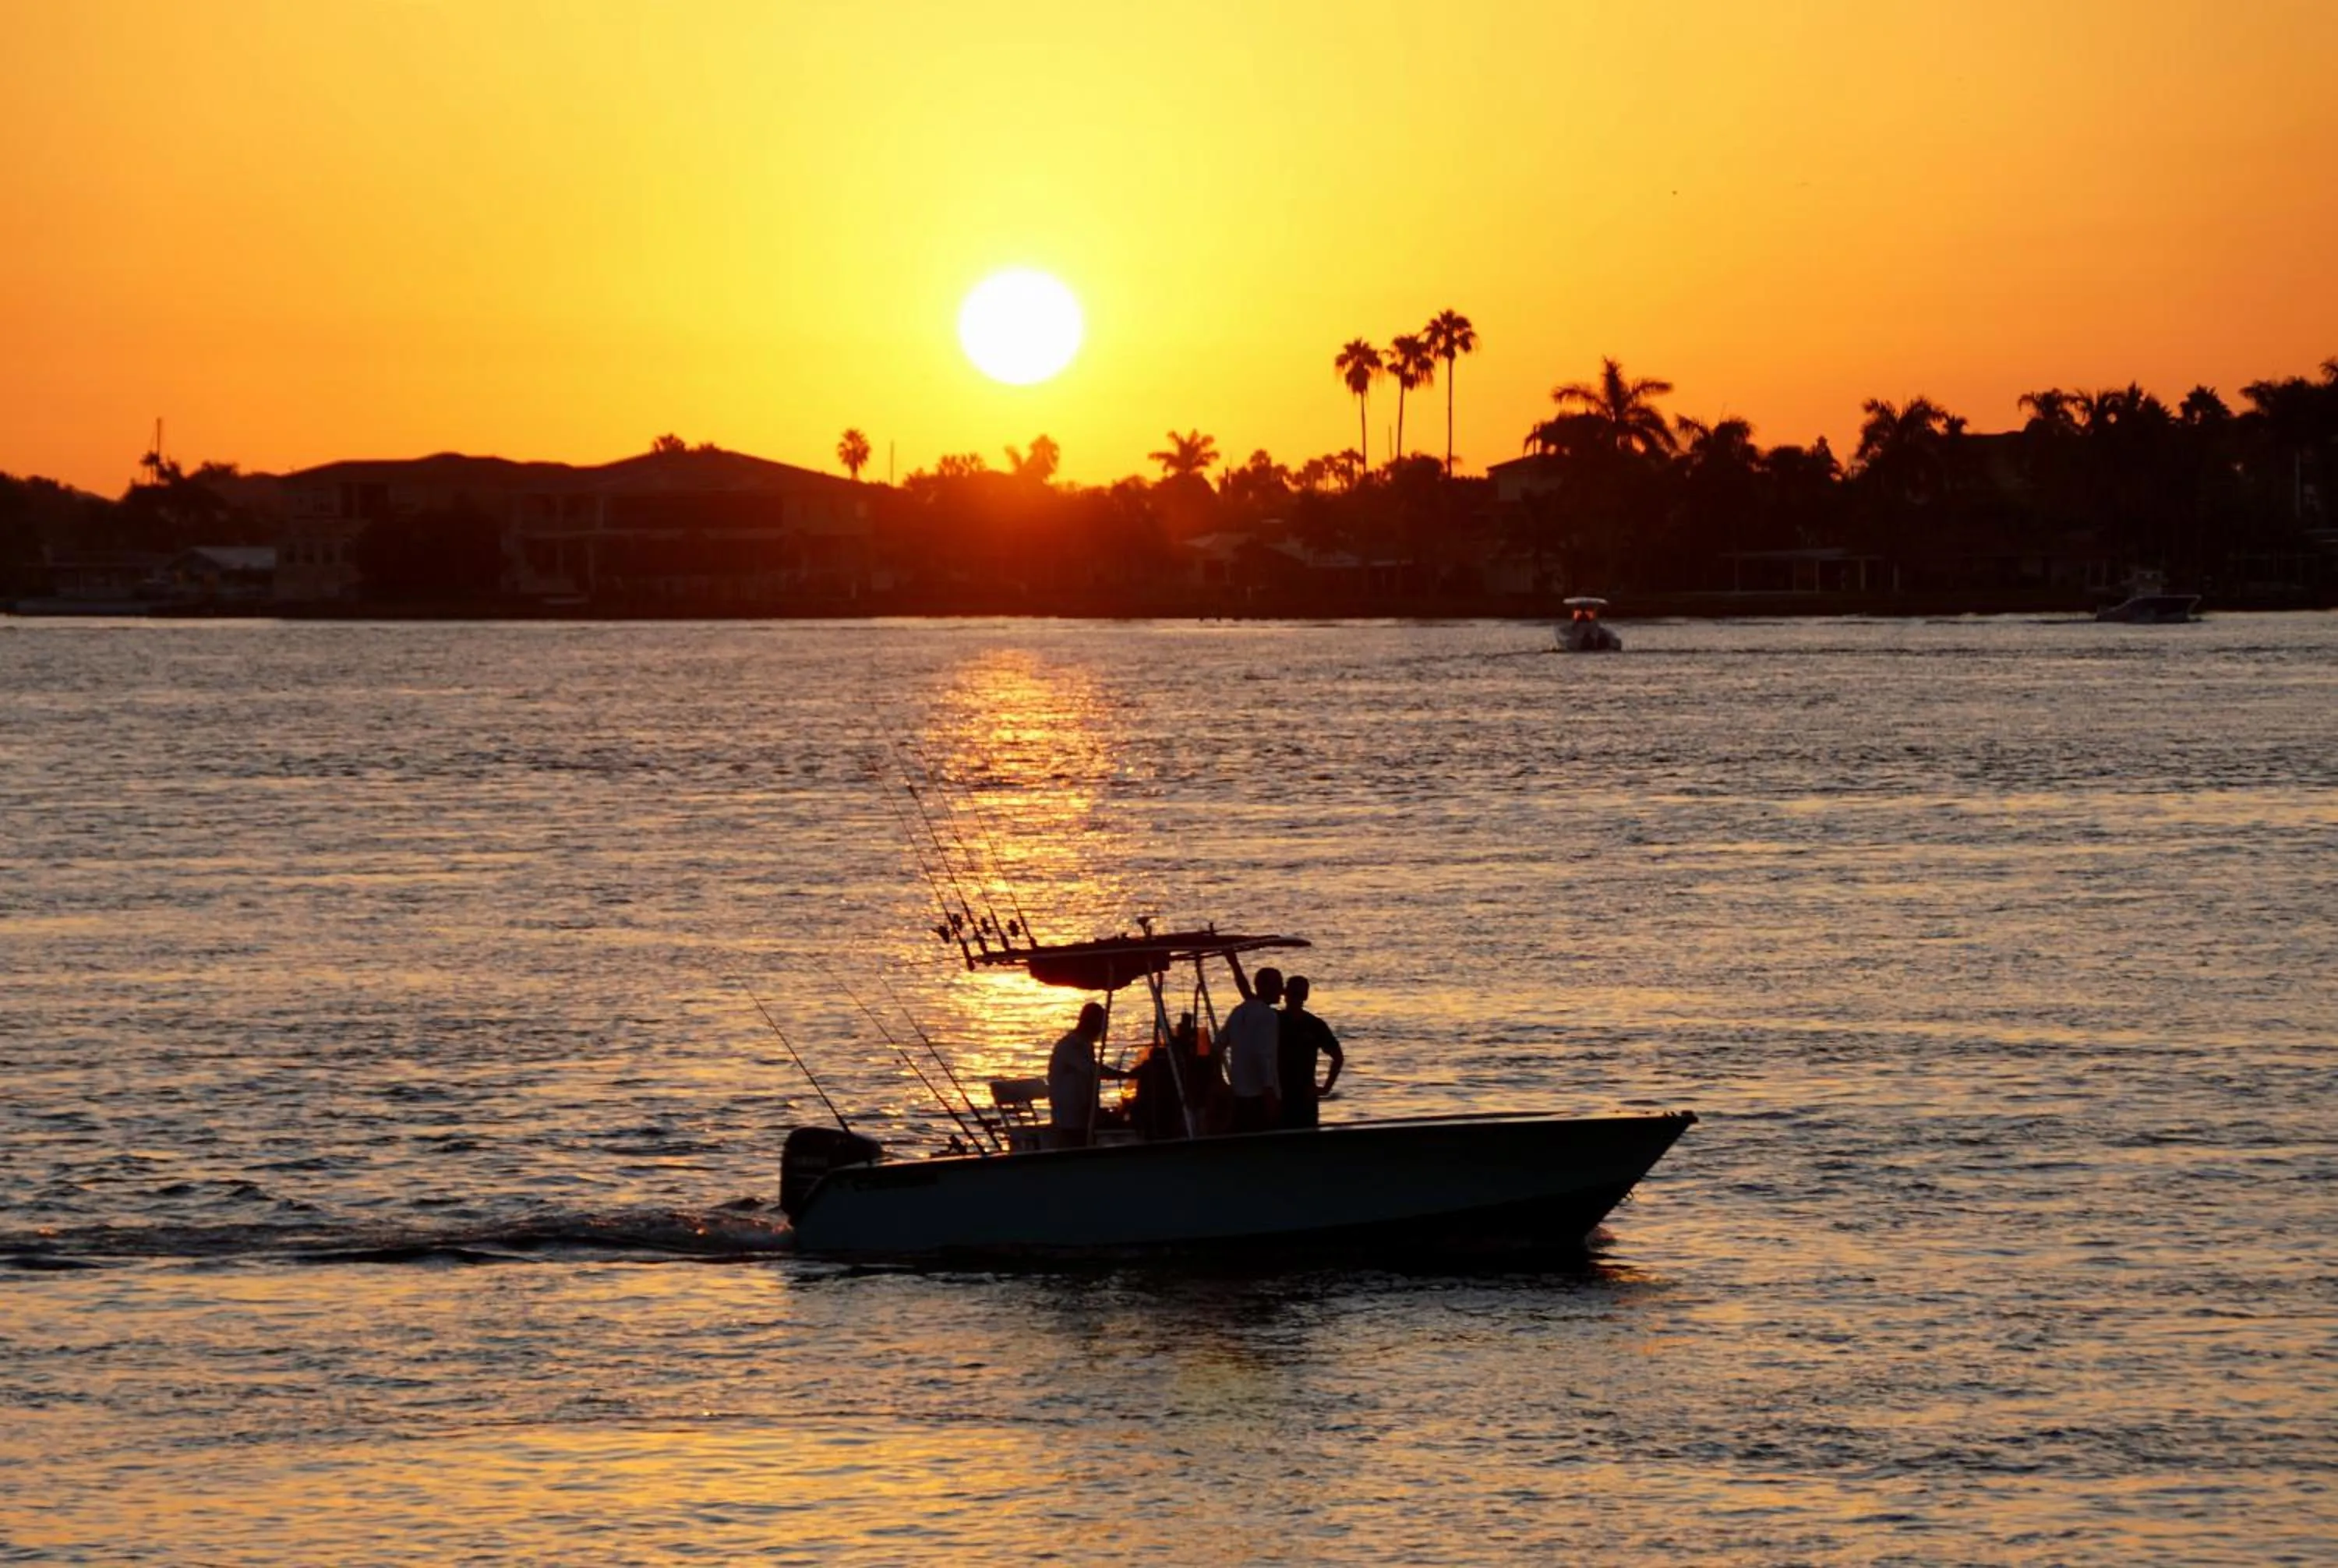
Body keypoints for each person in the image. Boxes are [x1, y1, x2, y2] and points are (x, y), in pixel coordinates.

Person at [1046, 1001, 1129, 1147]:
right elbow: (1093, 1070)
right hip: (1071, 1120)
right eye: (1101, 1024)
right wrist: (1125, 1075)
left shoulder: (1085, 1045)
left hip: (1085, 1115)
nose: (1103, 1029)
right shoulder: (1070, 1046)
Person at [1219, 965, 1284, 1133]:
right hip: (1259, 1097)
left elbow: (1218, 1045)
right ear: (1265, 987)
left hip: (1238, 1095)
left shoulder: (1238, 1012)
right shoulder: (1268, 1016)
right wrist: (1269, 1091)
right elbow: (1265, 1055)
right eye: (1278, 985)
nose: (1281, 991)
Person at [1276, 974, 1345, 1130]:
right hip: (1279, 1095)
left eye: (1300, 994)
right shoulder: (1275, 1020)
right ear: (1285, 994)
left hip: (1305, 1096)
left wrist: (1326, 1088)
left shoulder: (1314, 1025)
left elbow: (1338, 1057)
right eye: (1293, 993)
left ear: (1305, 996)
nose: (1296, 999)